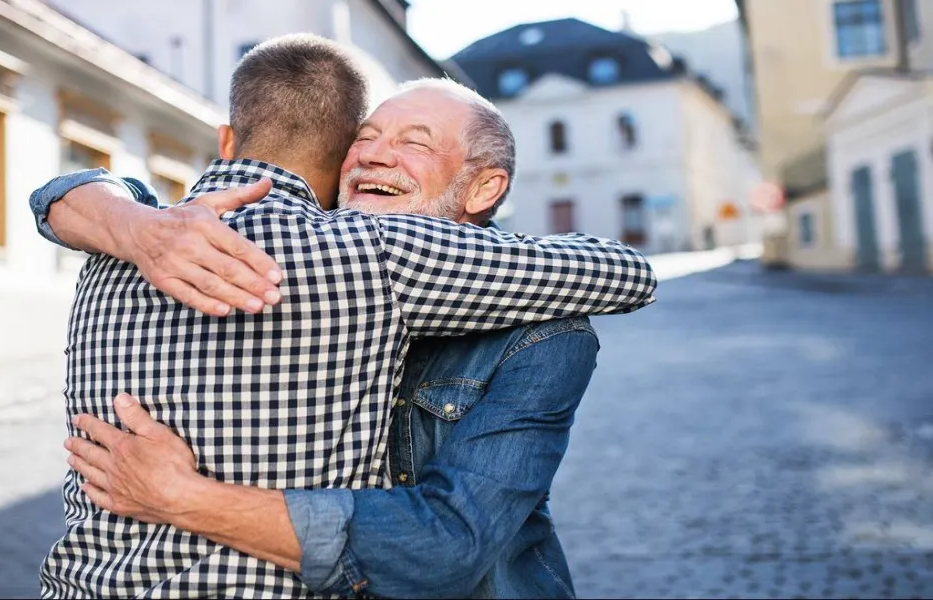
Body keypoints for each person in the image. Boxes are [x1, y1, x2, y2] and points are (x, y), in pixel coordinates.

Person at [33, 34, 656, 599]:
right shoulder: (185, 238)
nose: (376, 156)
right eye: (363, 137)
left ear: (483, 189)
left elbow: (446, 548)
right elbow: (68, 195)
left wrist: (185, 498)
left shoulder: (541, 333)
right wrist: (134, 227)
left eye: (415, 142)